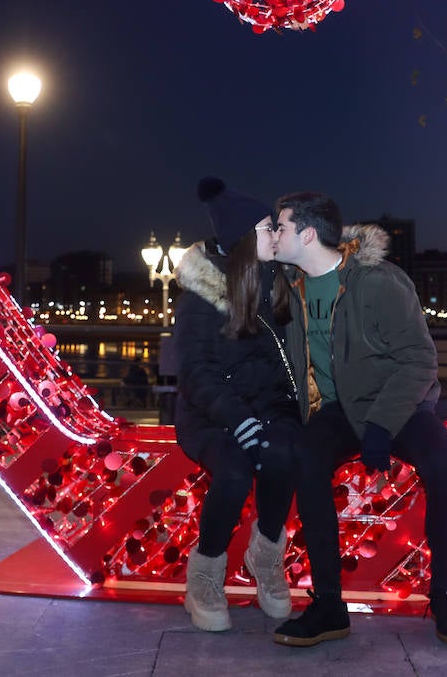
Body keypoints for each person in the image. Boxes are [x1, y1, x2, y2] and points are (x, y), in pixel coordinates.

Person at [270, 191, 447, 647]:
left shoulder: (377, 281)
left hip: (395, 403)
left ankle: (442, 594)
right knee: (306, 456)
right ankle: (328, 606)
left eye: (280, 227)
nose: (274, 235)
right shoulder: (290, 283)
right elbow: (247, 269)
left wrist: (381, 426)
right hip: (338, 409)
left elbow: (419, 361)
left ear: (306, 233)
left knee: (444, 465)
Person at [173, 177, 302, 631]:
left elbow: (282, 360)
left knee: (284, 455)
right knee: (233, 472)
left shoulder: (277, 284)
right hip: (210, 415)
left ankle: (265, 556)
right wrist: (238, 420)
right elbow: (195, 373)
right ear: (247, 239)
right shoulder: (201, 297)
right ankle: (205, 572)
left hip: (267, 407)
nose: (275, 236)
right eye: (268, 228)